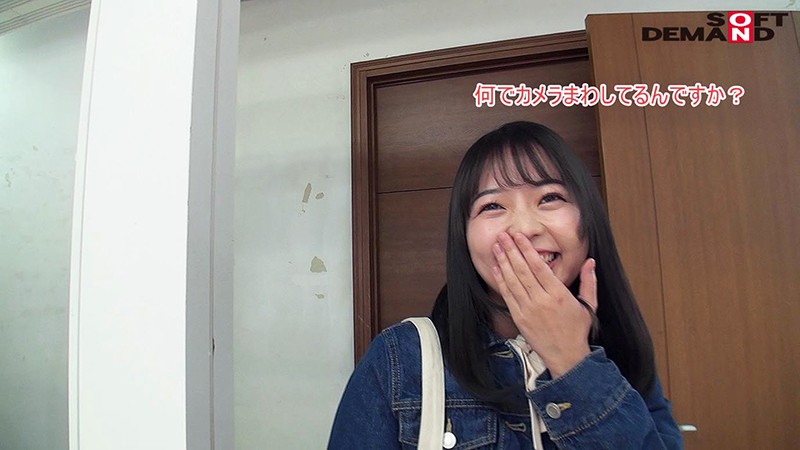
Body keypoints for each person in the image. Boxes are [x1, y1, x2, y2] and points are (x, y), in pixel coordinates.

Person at [329, 121, 683, 449]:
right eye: (493, 205)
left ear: (588, 219)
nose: (525, 229)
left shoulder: (625, 356)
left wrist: (575, 364)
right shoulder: (397, 361)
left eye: (550, 198)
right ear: (464, 237)